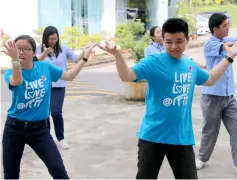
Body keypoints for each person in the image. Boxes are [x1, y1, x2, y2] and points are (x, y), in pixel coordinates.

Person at [99, 18, 237, 179]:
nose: (173, 46)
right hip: (152, 136)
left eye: (179, 41)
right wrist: (117, 55)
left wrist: (229, 57)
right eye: (168, 41)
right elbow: (126, 75)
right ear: (162, 41)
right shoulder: (153, 62)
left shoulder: (190, 65)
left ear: (187, 39)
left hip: (181, 137)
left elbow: (210, 79)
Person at [1, 35, 96, 179]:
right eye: (18, 49)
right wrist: (15, 61)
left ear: (34, 53)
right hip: (14, 128)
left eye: (26, 49)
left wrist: (84, 58)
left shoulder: (44, 67)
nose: (21, 52)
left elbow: (69, 75)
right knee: (11, 175)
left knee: (58, 170)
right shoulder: (9, 73)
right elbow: (17, 80)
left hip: (39, 129)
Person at [196, 13, 237, 173]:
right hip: (211, 96)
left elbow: (232, 41)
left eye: (228, 25)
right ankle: (202, 158)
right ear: (215, 29)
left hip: (229, 97)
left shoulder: (225, 40)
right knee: (210, 130)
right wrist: (231, 45)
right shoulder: (210, 45)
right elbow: (228, 47)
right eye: (225, 26)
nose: (228, 29)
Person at [36, 26, 84, 149]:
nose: (53, 41)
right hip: (43, 85)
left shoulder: (64, 49)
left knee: (56, 112)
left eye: (55, 38)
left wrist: (85, 51)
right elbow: (34, 63)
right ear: (45, 38)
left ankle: (61, 138)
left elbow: (76, 59)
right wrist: (44, 53)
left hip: (59, 85)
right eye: (50, 39)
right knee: (44, 113)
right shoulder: (38, 49)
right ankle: (46, 138)